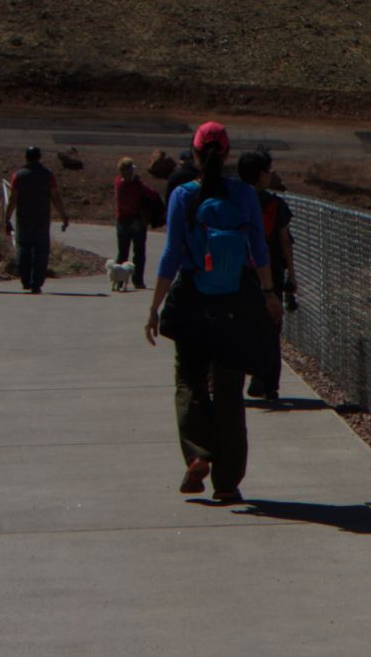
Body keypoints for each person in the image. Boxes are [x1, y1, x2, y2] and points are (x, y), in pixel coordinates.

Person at [145, 121, 282, 501]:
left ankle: (197, 454)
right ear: (226, 153)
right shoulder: (243, 195)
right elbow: (259, 250)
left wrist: (155, 306)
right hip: (234, 300)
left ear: (194, 151)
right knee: (229, 390)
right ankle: (228, 483)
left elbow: (172, 254)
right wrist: (268, 292)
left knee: (189, 381)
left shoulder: (183, 196)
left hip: (192, 298)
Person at [237, 150, 297, 405]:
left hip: (239, 274)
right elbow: (285, 242)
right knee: (271, 330)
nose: (271, 174)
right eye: (269, 170)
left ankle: (239, 375)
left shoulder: (232, 200)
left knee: (241, 328)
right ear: (262, 174)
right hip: (270, 274)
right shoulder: (275, 205)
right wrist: (291, 276)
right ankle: (268, 383)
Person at [6, 145, 69, 294]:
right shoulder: (48, 175)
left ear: (26, 158)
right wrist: (64, 216)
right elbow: (56, 198)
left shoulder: (18, 176)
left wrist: (7, 217)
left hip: (24, 219)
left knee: (24, 248)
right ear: (39, 157)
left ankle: (25, 280)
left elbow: (13, 199)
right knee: (41, 251)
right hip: (41, 219)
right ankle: (37, 283)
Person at [113, 157, 150, 290]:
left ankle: (119, 280)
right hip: (136, 221)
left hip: (122, 221)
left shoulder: (118, 182)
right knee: (139, 252)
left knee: (122, 253)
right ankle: (138, 280)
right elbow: (147, 194)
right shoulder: (136, 185)